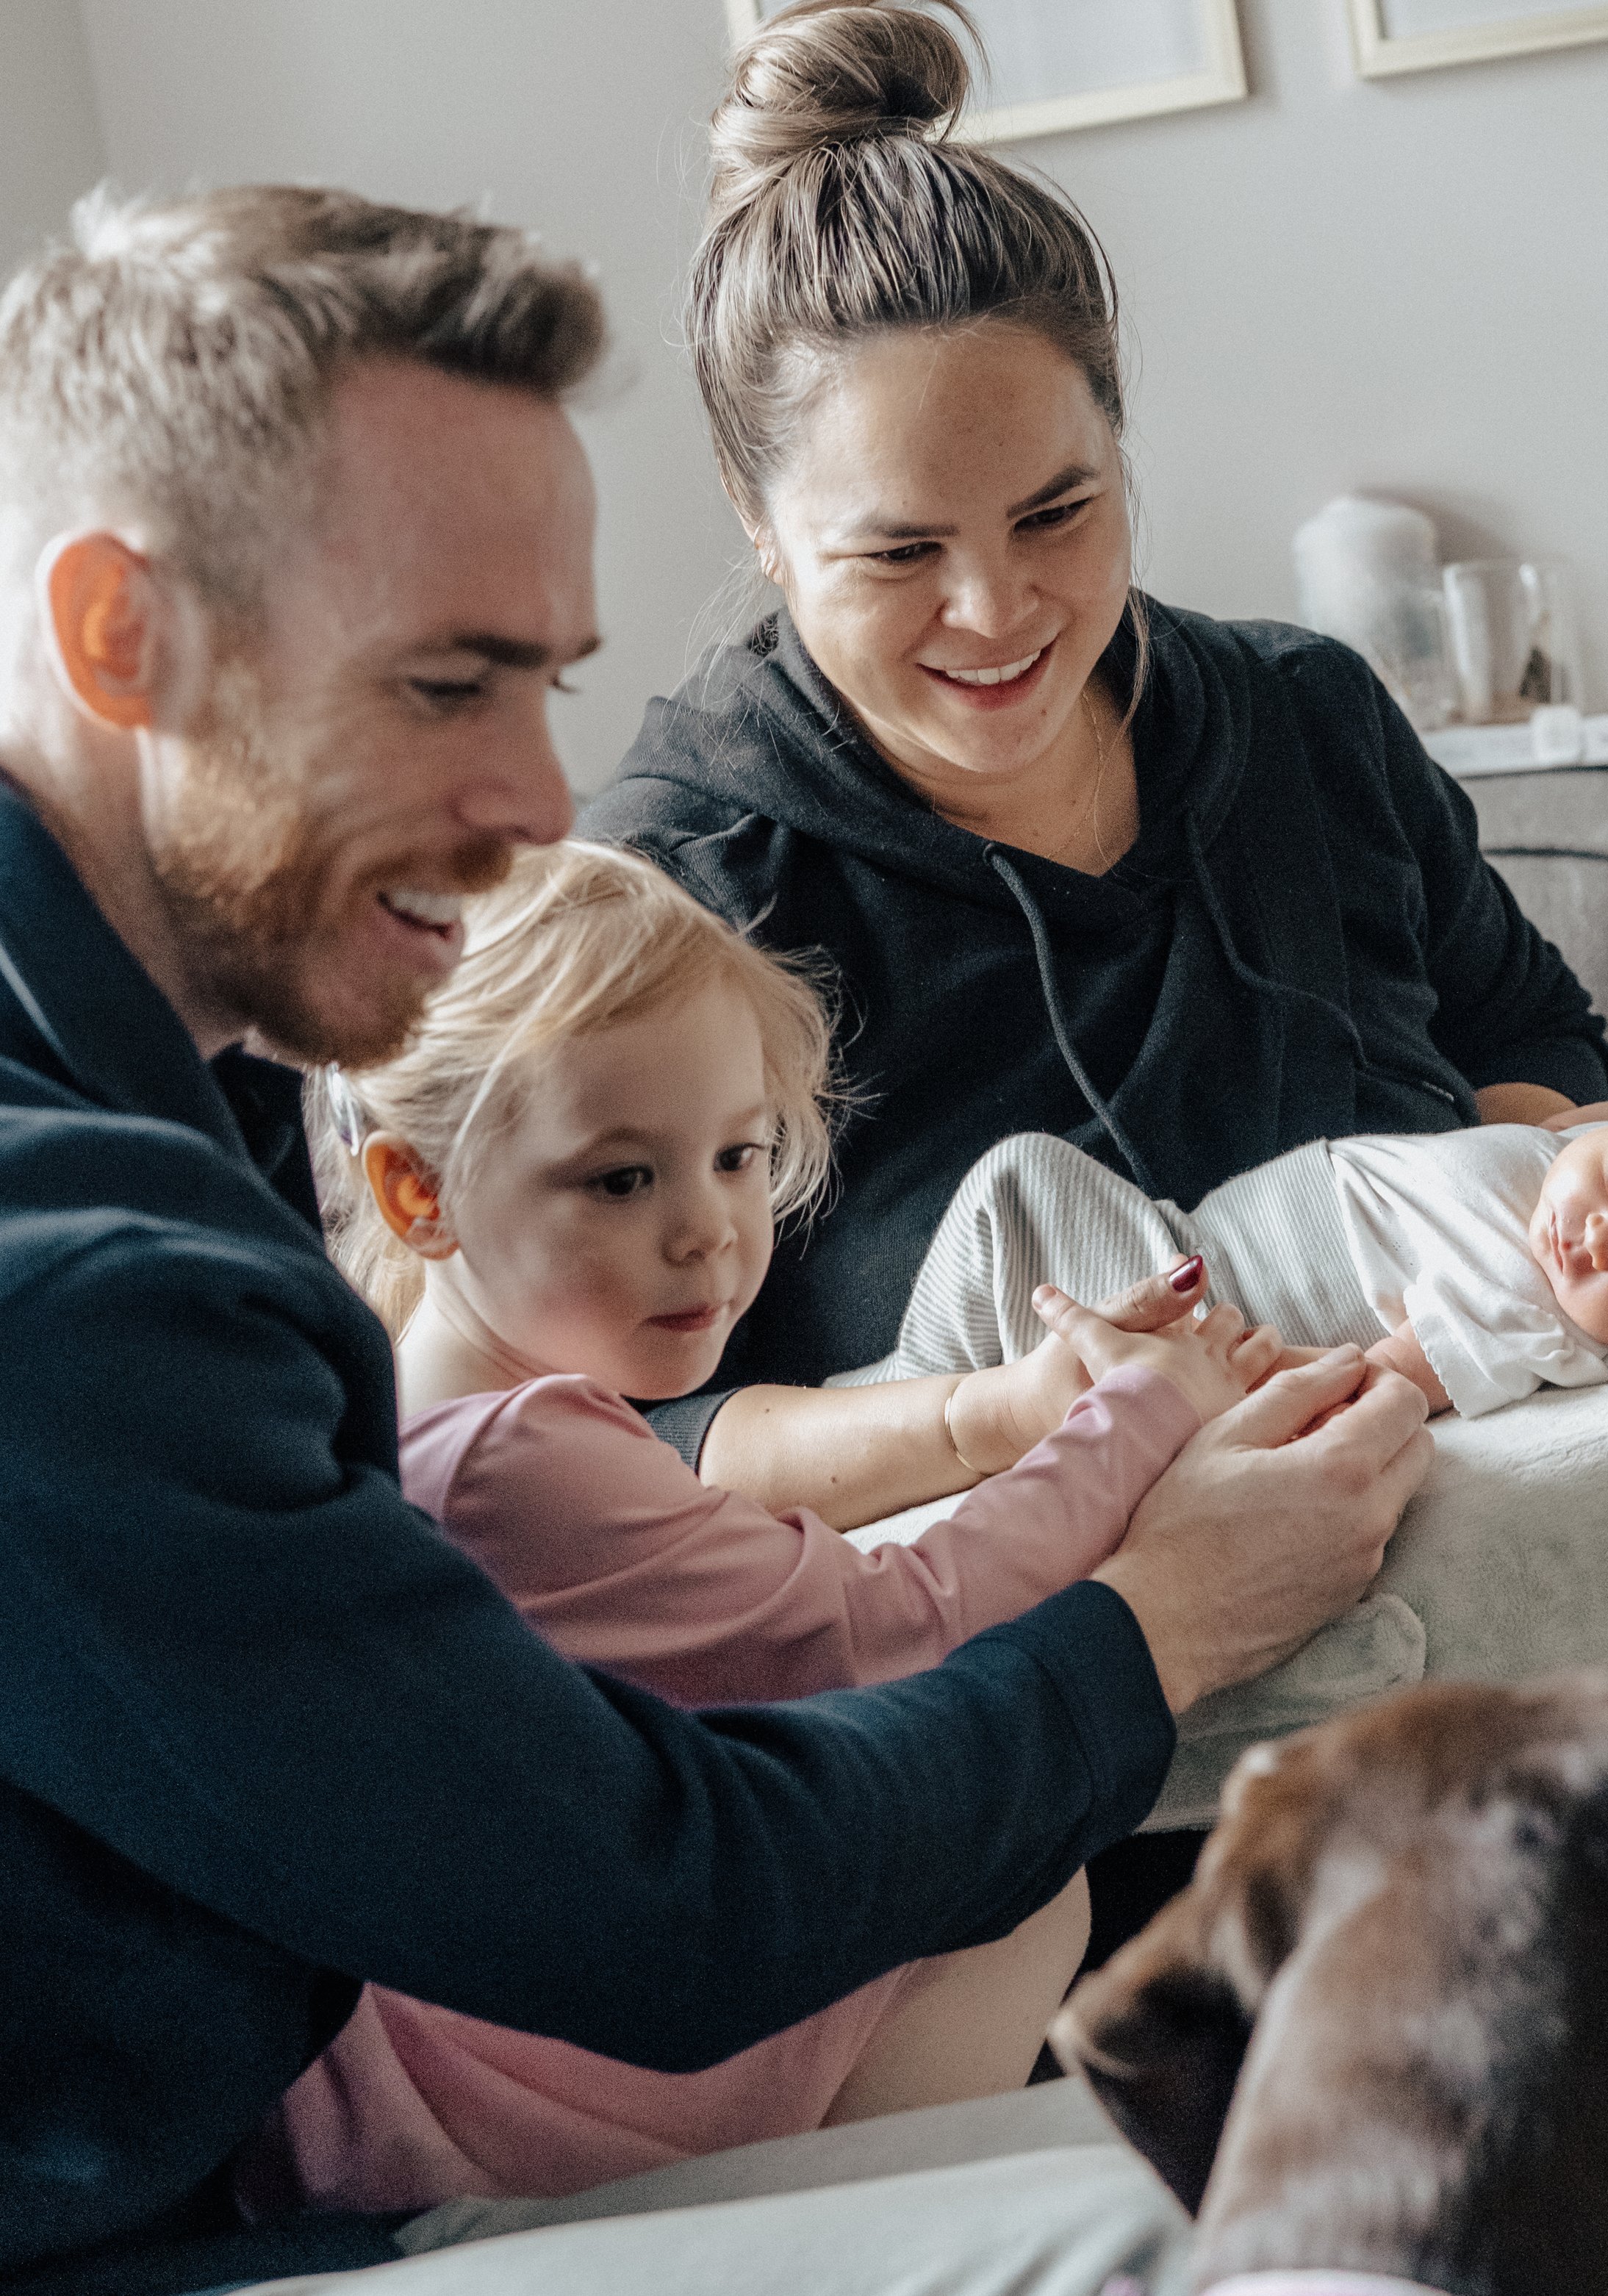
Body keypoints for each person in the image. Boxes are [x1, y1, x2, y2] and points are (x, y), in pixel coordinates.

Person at [0, 184, 1432, 2295]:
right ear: (125, 637)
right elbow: (655, 1898)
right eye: (441, 685)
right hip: (162, 2228)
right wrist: (1163, 1613)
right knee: (1322, 2226)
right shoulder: (82, 1290)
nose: (529, 796)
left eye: (548, 679)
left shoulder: (177, 1096)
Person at [581, 0, 1608, 1522]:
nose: (995, 615)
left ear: (1118, 443)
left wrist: (1539, 1251)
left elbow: (1531, 1036)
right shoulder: (672, 895)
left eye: (1056, 514)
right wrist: (988, 1418)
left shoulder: (1306, 717)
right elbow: (626, 1434)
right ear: (757, 519)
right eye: (899, 550)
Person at [258, 838, 1287, 2214]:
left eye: (738, 1156)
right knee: (1006, 1882)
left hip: (467, 2046)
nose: (710, 1232)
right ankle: (841, 2226)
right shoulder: (514, 1459)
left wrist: (1019, 1409)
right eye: (623, 1179)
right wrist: (1146, 1414)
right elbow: (890, 1626)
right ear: (418, 1194)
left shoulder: (423, 1406)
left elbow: (749, 1597)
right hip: (512, 2111)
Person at [853, 1083, 1608, 1421]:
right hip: (1183, 1232)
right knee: (1015, 1206)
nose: (1593, 1242)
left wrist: (1232, 1386)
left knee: (1022, 1184)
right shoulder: (1588, 1158)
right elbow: (1590, 1127)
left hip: (1188, 1285)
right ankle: (906, 1394)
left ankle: (900, 1395)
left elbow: (1376, 1384)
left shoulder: (1530, 1314)